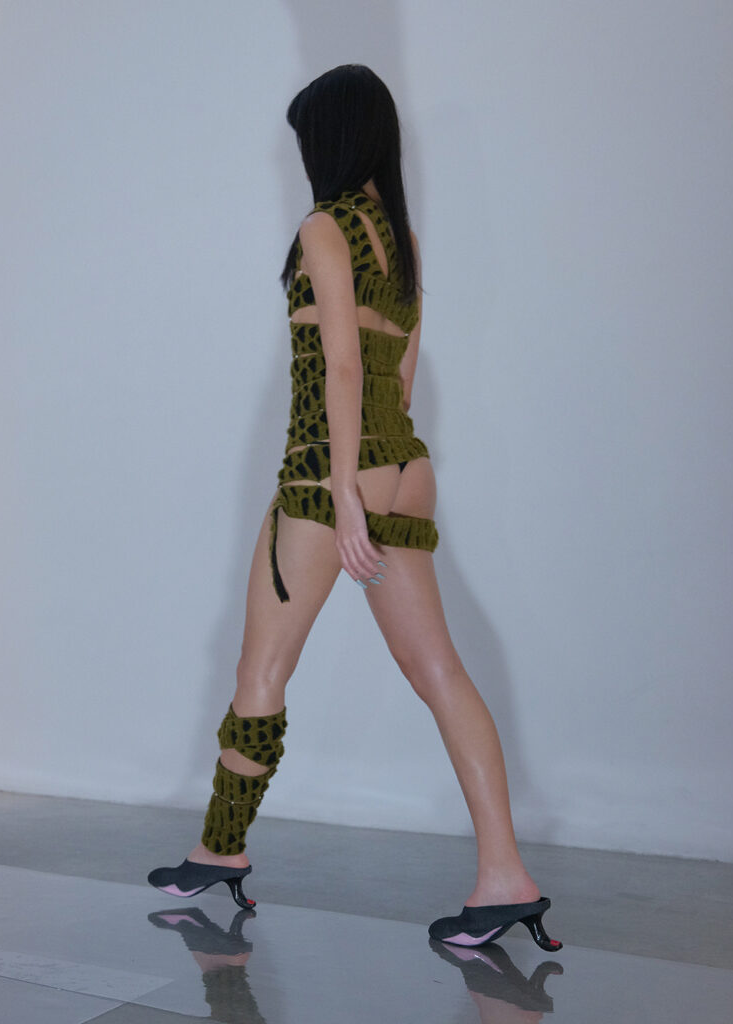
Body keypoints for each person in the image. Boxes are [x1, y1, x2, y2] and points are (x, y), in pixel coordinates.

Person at [148, 64, 562, 952]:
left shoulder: (323, 228)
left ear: (331, 139)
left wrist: (341, 492)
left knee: (260, 669)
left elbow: (340, 365)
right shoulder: (401, 237)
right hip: (406, 465)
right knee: (440, 671)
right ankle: (506, 877)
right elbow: (399, 377)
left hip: (329, 474)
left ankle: (219, 849)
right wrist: (372, 477)